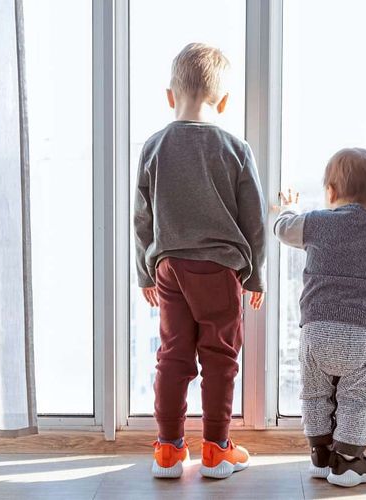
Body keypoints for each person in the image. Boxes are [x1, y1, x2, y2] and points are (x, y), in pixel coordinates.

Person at [134, 42, 266, 480]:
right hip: (220, 268)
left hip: (170, 267)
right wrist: (255, 276)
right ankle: (215, 449)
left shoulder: (153, 147)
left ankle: (169, 450)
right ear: (223, 101)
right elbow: (255, 220)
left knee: (172, 356)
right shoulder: (236, 148)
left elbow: (142, 218)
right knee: (219, 358)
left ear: (170, 95)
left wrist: (144, 271)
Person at [274, 147, 366, 488]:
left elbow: (283, 229)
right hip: (361, 334)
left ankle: (321, 453)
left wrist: (287, 207)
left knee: (314, 394)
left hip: (316, 331)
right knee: (355, 398)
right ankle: (348, 460)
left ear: (330, 191)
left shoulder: (317, 223)